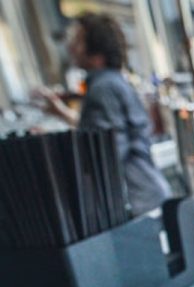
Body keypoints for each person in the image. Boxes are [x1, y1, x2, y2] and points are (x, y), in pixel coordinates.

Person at [38, 13, 170, 216]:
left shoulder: (103, 88)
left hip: (134, 201)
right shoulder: (112, 82)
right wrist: (62, 113)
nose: (71, 47)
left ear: (97, 53)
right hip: (146, 194)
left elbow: (107, 152)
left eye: (79, 41)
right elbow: (105, 134)